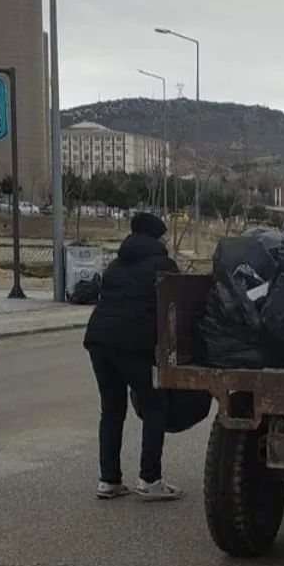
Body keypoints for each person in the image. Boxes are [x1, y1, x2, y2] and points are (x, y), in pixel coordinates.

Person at [83, 211, 184, 501]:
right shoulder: (163, 265)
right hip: (132, 344)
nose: (167, 240)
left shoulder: (115, 265)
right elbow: (175, 307)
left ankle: (109, 480)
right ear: (156, 237)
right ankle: (150, 479)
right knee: (155, 404)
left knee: (112, 409)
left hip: (99, 340)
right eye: (164, 235)